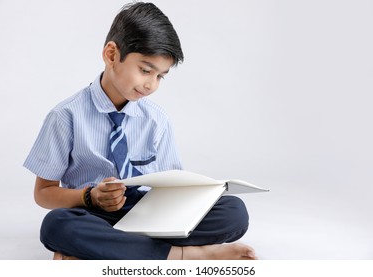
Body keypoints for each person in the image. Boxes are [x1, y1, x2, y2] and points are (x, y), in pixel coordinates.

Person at [24, 2, 257, 260]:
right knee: (56, 224)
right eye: (145, 70)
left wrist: (196, 195)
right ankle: (183, 256)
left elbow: (173, 184)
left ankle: (102, 248)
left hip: (150, 213)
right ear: (112, 55)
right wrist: (90, 197)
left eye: (160, 76)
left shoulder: (157, 119)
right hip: (93, 211)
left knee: (234, 211)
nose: (151, 85)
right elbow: (43, 193)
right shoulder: (65, 116)